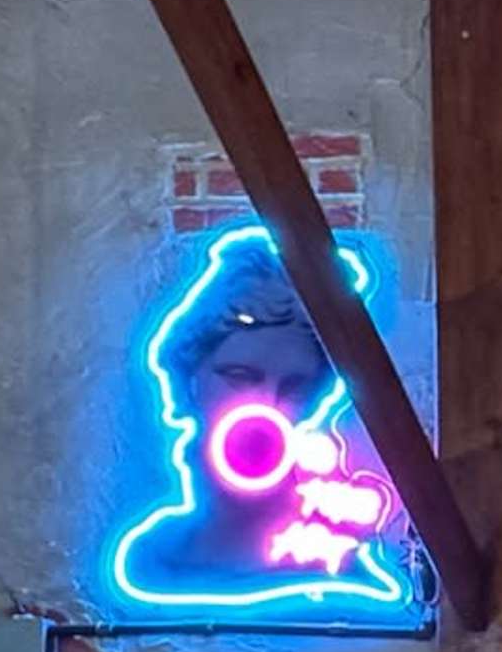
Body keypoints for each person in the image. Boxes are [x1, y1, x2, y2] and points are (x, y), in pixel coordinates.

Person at [106, 225, 416, 610]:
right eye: (239, 376)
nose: (265, 404)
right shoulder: (151, 555)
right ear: (187, 381)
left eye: (293, 386)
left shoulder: (337, 572)